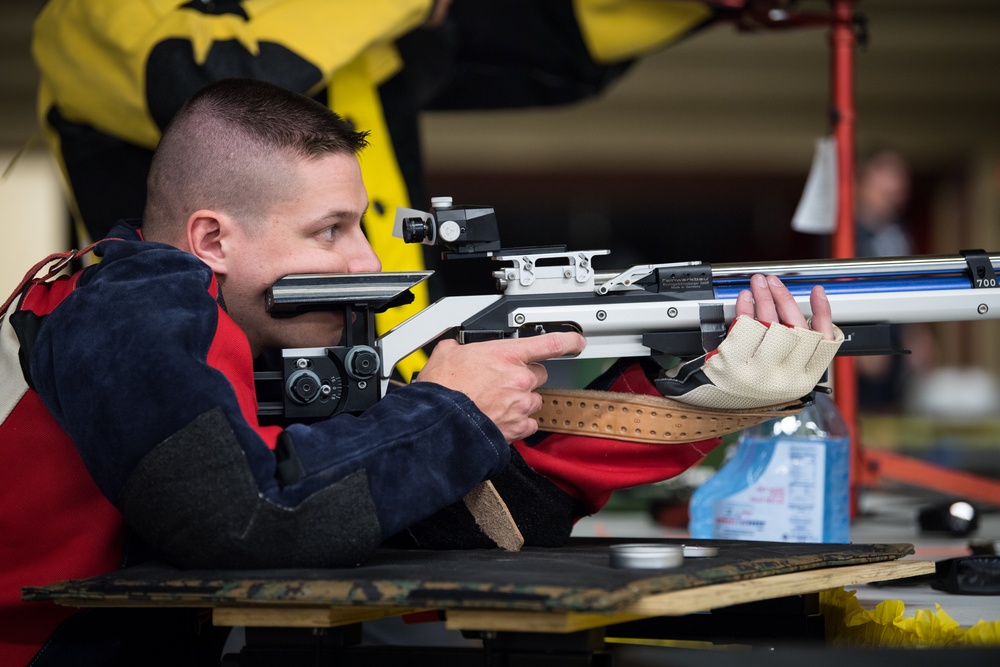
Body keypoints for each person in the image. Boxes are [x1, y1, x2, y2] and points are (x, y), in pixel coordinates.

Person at [0, 79, 840, 666]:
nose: (365, 258)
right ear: (213, 239)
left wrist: (684, 395)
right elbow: (250, 523)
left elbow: (450, 525)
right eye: (331, 230)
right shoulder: (136, 304)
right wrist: (448, 408)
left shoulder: (240, 340)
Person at [853, 148, 935, 411]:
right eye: (888, 175)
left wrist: (918, 334)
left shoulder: (898, 232)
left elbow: (911, 287)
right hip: (862, 358)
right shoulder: (846, 235)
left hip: (897, 357)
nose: (897, 187)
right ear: (863, 181)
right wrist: (860, 342)